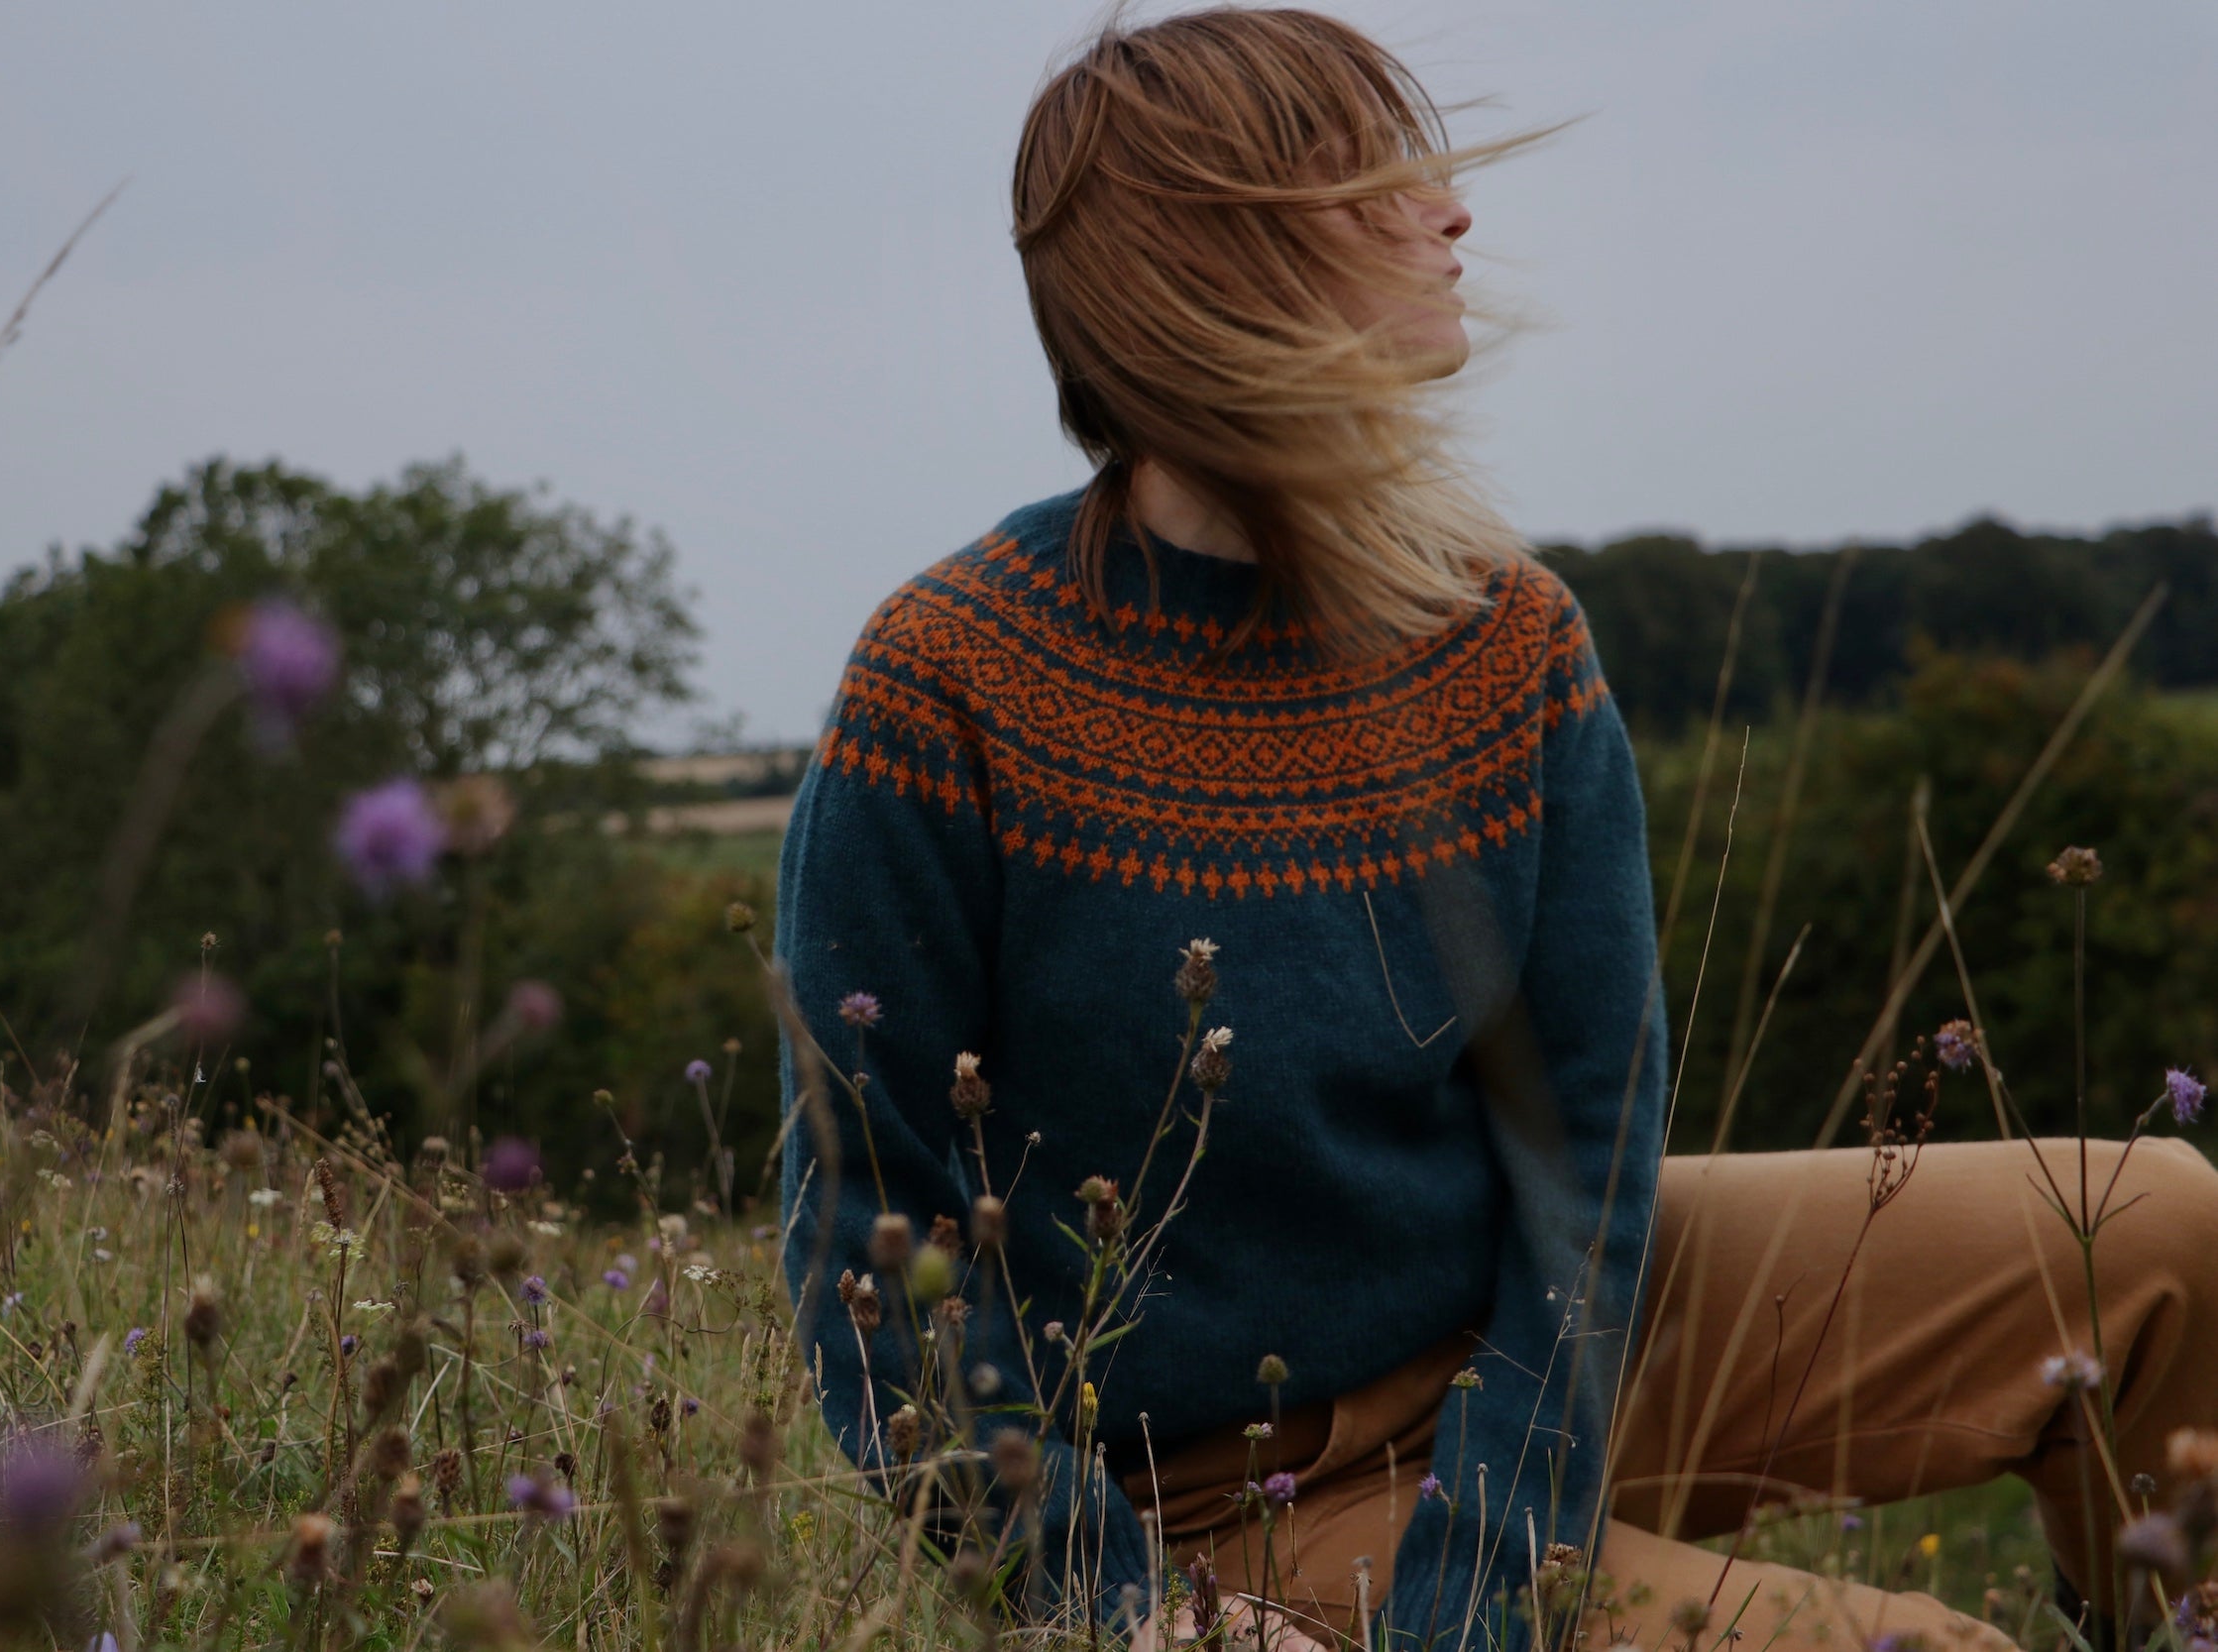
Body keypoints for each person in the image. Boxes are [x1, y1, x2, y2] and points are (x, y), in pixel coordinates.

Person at [773, 10, 2218, 1650]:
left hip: (1556, 1355)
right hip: (1243, 1485)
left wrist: (1497, 1525)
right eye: (1377, 179)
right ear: (1213, 258)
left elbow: (1588, 1157)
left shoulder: (1506, 642)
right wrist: (1108, 1608)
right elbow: (861, 1245)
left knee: (2160, 1227)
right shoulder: (952, 678)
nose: (1451, 212)